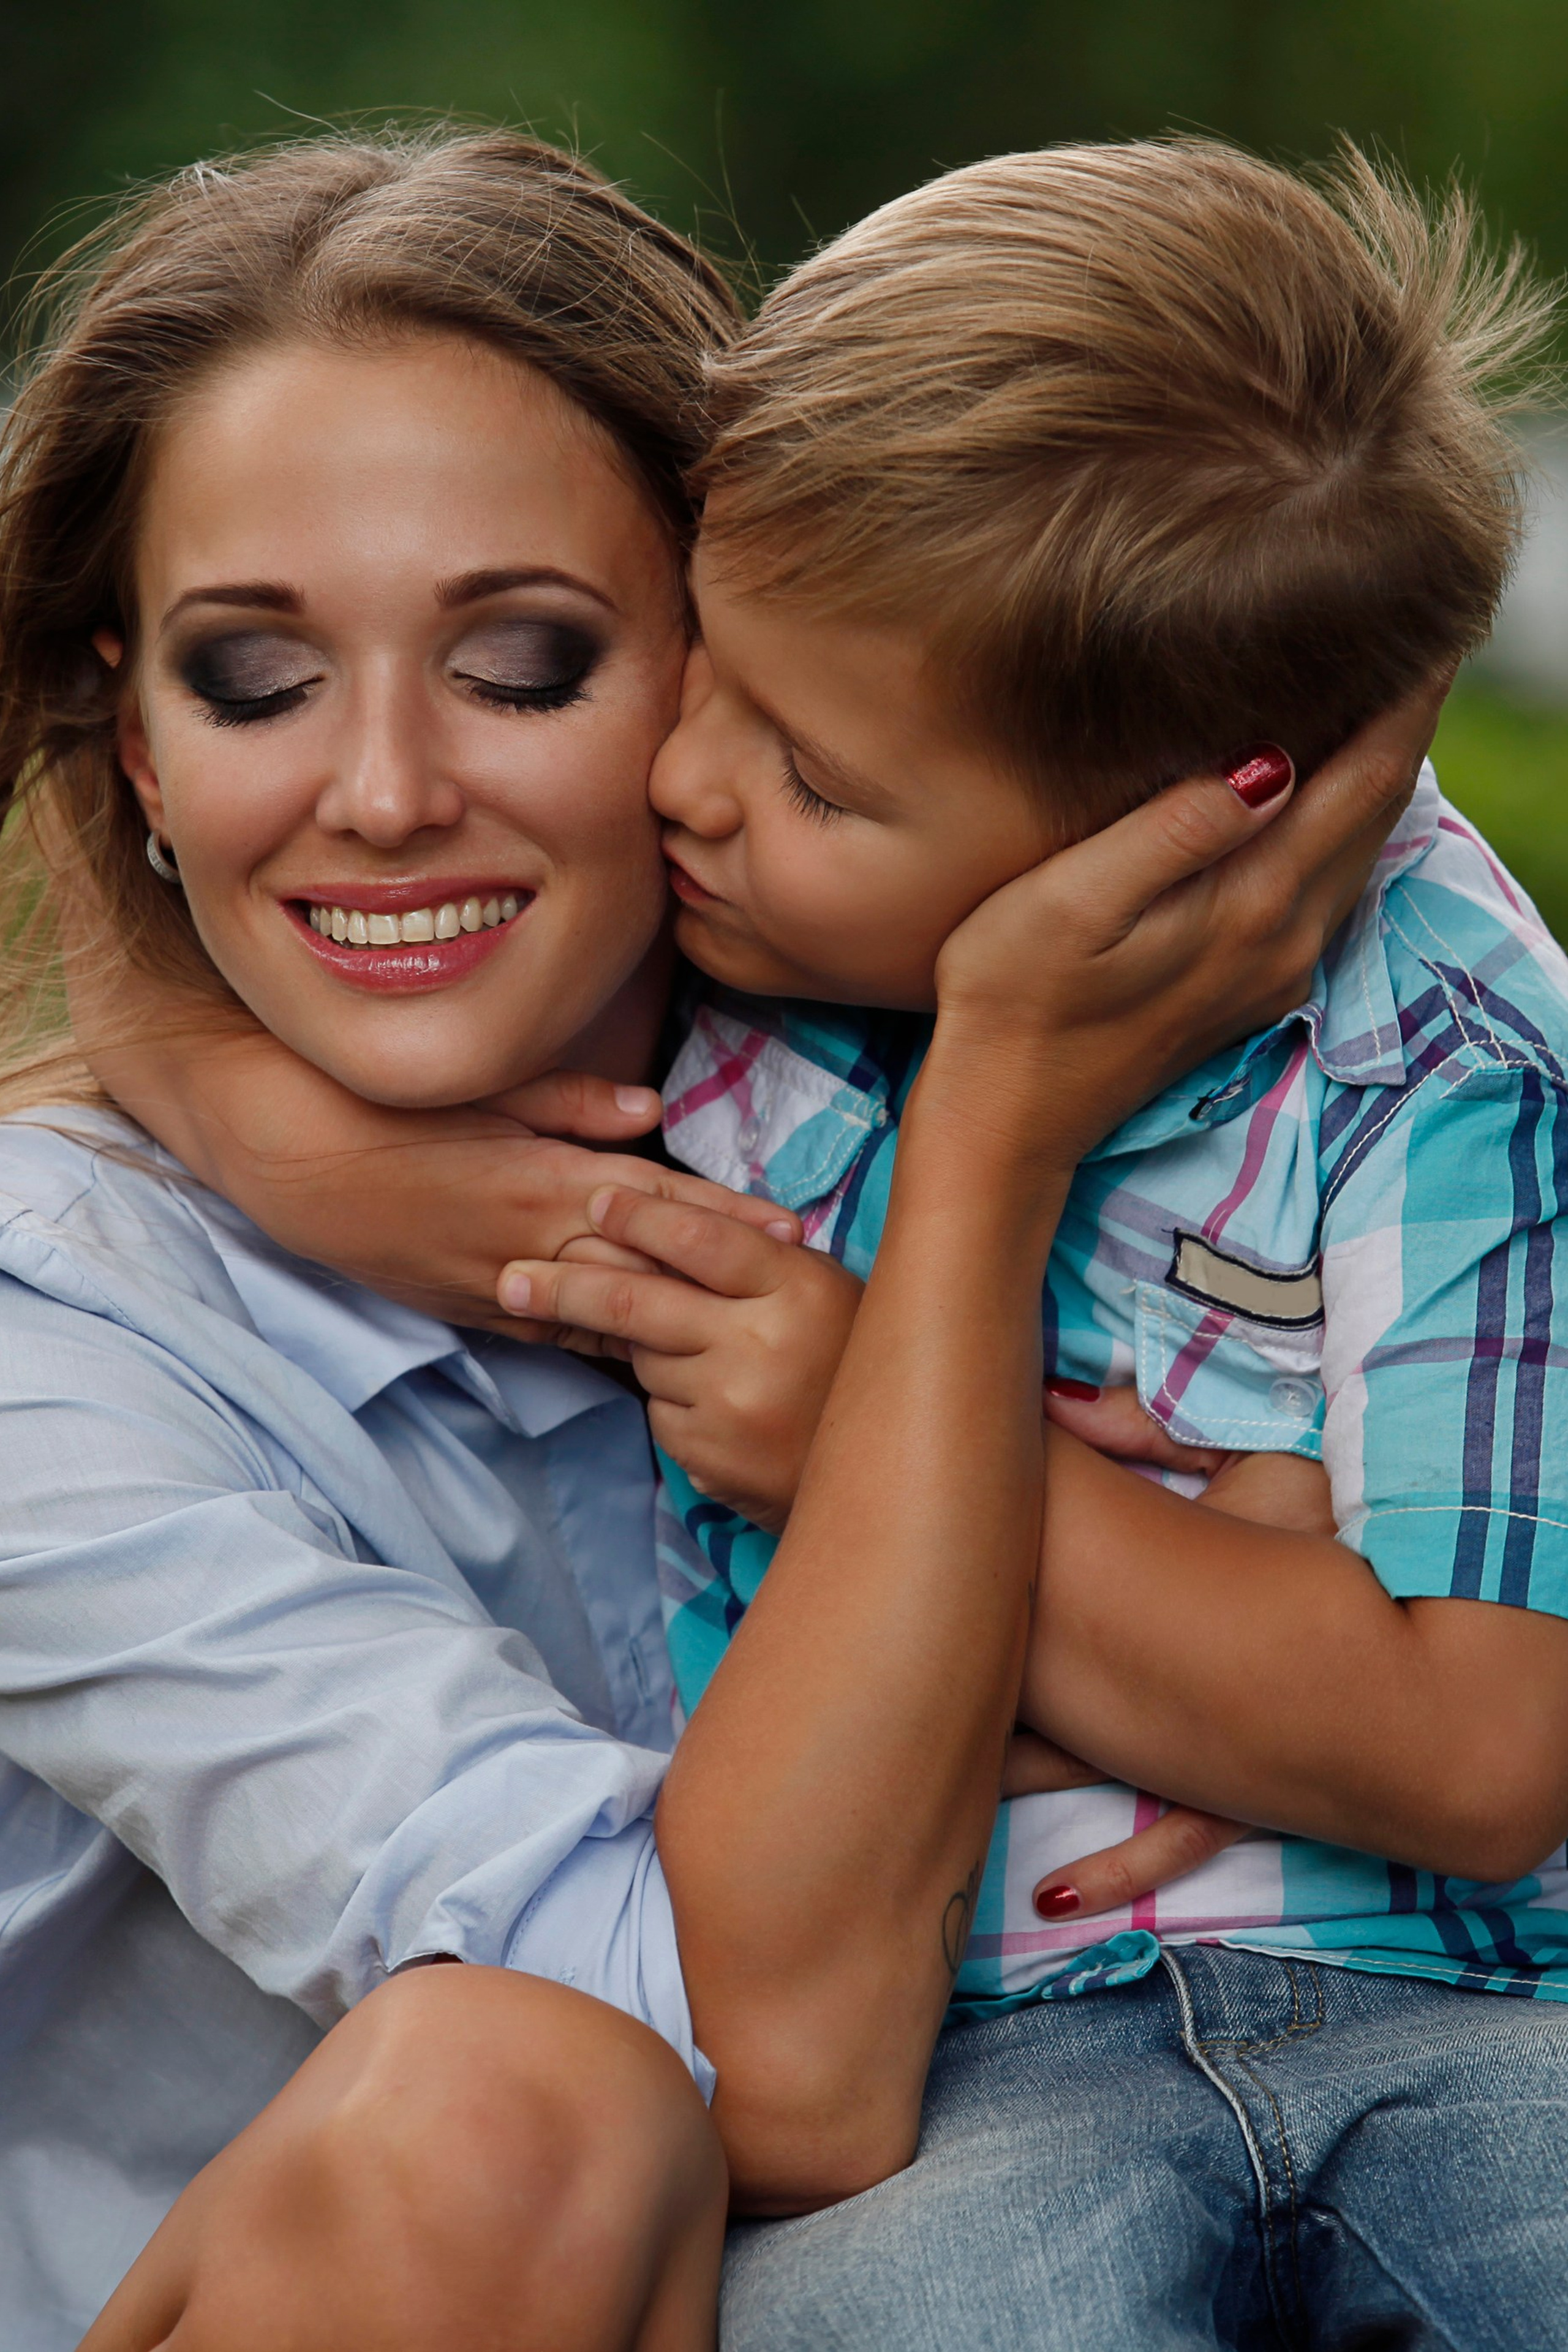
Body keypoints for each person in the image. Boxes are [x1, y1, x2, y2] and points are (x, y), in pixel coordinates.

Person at [99, 140, 1568, 2347]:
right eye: (719, 688)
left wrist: (862, 1415)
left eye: (807, 767)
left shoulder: (1433, 1049)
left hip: (1456, 2012)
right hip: (982, 2068)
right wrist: (254, 1125)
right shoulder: (760, 969)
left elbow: (1472, 1751)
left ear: (1151, 837)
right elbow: (261, 1019)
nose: (694, 791)